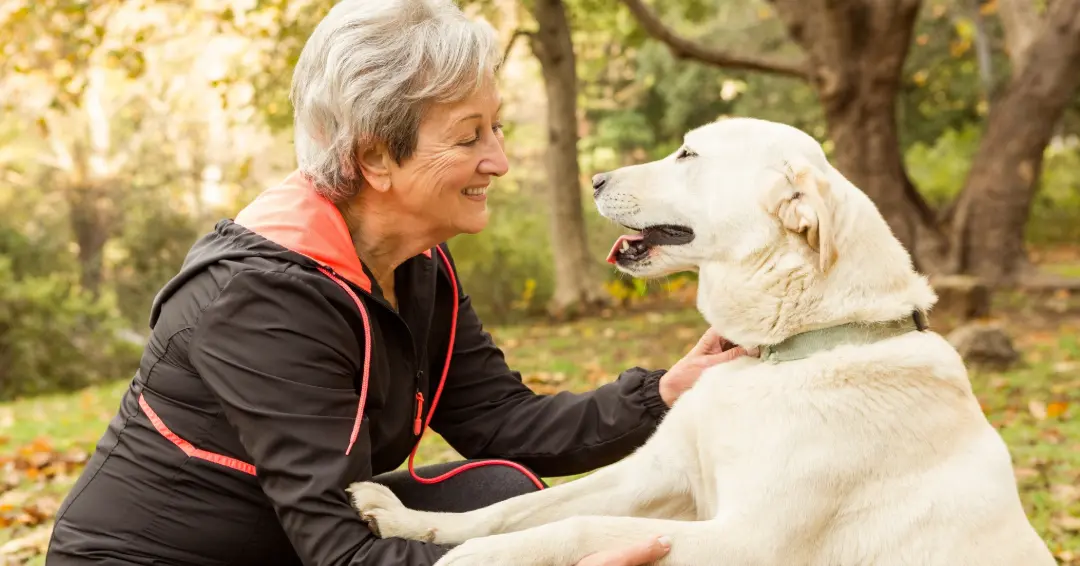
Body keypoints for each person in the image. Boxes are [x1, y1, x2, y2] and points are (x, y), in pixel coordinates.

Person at [45, 1, 744, 564]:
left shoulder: (414, 263)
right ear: (375, 155)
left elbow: (503, 424)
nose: (499, 160)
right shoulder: (260, 300)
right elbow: (342, 552)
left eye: (496, 127)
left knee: (496, 491)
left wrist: (663, 393)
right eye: (470, 136)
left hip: (290, 547)